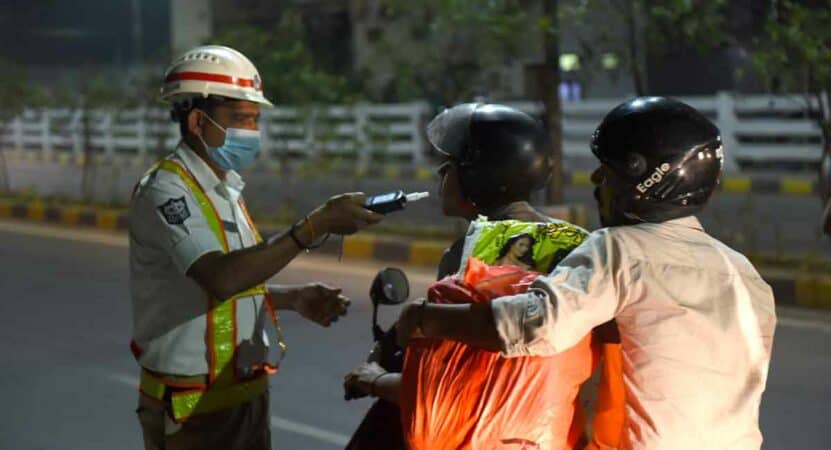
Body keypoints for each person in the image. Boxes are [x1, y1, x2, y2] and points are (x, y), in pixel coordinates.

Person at [396, 97, 777, 449]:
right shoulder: (744, 273)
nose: (596, 181)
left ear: (639, 179)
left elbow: (537, 325)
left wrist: (428, 318)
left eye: (605, 170)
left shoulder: (619, 249)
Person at [129, 45, 384, 450]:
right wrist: (313, 226)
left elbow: (221, 287)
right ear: (197, 120)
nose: (251, 131)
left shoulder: (225, 189)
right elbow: (220, 277)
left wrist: (292, 298)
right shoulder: (167, 190)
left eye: (255, 120)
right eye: (240, 119)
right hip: (195, 406)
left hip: (243, 395)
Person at [342, 103, 617, 449]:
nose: (442, 170)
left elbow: (442, 384)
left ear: (479, 175)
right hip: (559, 432)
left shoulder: (469, 253)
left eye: (454, 163)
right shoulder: (580, 241)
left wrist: (375, 380)